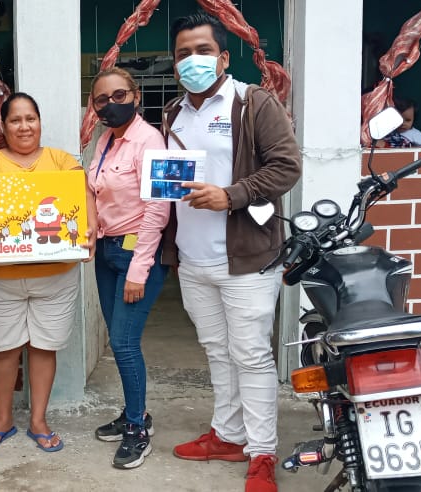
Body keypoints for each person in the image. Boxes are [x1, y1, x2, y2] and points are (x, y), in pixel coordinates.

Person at [161, 12, 301, 492]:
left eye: (202, 51)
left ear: (223, 57)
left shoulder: (252, 101)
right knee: (217, 352)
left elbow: (287, 167)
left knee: (251, 355)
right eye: (183, 53)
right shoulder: (174, 113)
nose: (192, 60)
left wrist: (231, 195)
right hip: (193, 258)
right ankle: (228, 434)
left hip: (247, 259)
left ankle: (262, 453)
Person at [0, 93, 96, 455]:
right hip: (0, 277)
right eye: (15, 120)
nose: (24, 126)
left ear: (39, 122)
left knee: (43, 347)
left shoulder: (62, 160)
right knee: (2, 350)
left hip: (55, 277)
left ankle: (38, 420)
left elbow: (83, 194)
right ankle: (3, 419)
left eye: (30, 119)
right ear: (3, 125)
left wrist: (92, 228)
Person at [87, 67, 171, 469]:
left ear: (136, 95)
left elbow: (159, 210)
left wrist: (139, 270)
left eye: (119, 96)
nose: (111, 105)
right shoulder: (105, 140)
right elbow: (93, 191)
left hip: (136, 253)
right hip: (107, 251)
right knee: (118, 340)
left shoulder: (150, 140)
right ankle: (136, 412)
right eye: (101, 100)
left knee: (123, 342)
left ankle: (137, 428)